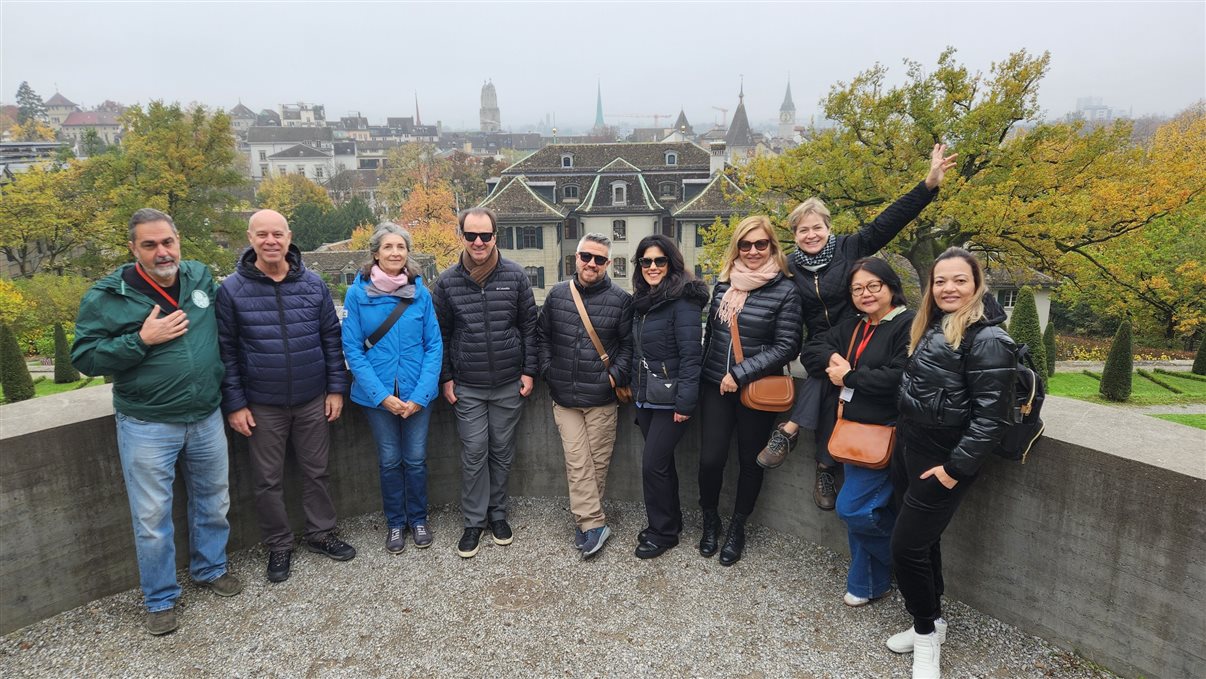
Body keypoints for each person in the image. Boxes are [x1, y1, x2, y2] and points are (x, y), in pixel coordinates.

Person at [758, 144, 957, 512]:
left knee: (836, 382)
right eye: (803, 230)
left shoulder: (852, 247)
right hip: (821, 343)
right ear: (795, 235)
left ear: (829, 228)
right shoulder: (790, 267)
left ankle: (800, 441)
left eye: (817, 227)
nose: (811, 234)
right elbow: (761, 285)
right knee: (828, 369)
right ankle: (824, 464)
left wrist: (928, 185)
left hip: (862, 335)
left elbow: (889, 220)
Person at [71, 208, 242, 636]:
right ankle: (160, 598)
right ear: (133, 249)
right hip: (148, 423)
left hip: (205, 415)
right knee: (151, 517)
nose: (161, 252)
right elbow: (84, 358)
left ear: (178, 240)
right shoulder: (108, 297)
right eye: (149, 245)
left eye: (167, 242)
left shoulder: (200, 277)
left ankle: (210, 568)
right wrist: (140, 340)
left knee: (214, 500)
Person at [887, 247, 1015, 679]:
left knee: (905, 548)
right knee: (923, 544)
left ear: (977, 284)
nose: (948, 288)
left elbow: (991, 420)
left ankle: (926, 639)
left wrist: (953, 469)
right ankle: (934, 623)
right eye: (941, 281)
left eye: (959, 280)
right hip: (911, 448)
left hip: (942, 461)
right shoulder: (933, 325)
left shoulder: (989, 339)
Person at [216, 209, 356, 584]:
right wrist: (235, 403)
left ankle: (321, 533)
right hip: (262, 403)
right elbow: (226, 351)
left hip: (312, 397)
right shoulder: (231, 290)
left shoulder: (313, 285)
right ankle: (279, 544)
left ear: (289, 236)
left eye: (277, 234)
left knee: (317, 471)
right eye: (262, 234)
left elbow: (331, 339)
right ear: (250, 238)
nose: (271, 241)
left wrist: (336, 389)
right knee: (266, 480)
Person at [800, 258, 914, 607]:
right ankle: (867, 584)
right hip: (852, 431)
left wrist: (850, 377)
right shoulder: (855, 325)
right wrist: (836, 360)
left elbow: (900, 377)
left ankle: (905, 562)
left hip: (885, 432)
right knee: (866, 511)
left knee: (854, 509)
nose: (865, 294)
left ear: (891, 286)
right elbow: (812, 349)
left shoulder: (908, 324)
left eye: (873, 286)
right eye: (857, 289)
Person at [697, 216, 803, 566]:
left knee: (749, 461)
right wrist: (704, 373)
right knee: (711, 458)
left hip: (757, 388)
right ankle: (710, 518)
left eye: (761, 244)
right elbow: (712, 336)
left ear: (772, 246)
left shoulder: (785, 289)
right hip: (716, 385)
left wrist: (740, 373)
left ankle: (738, 526)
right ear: (737, 248)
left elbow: (788, 345)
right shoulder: (723, 284)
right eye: (746, 245)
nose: (753, 251)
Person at [433, 207, 538, 559]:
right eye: (471, 235)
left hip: (509, 382)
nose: (478, 242)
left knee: (502, 451)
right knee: (475, 451)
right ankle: (474, 521)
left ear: (496, 236)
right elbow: (441, 335)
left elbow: (529, 327)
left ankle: (498, 515)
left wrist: (529, 371)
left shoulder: (516, 275)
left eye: (485, 235)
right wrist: (446, 377)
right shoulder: (447, 282)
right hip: (468, 385)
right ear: (460, 236)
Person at [342, 222, 442, 554]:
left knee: (415, 459)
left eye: (401, 247)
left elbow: (434, 346)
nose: (395, 252)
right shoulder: (357, 294)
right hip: (378, 396)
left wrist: (419, 395)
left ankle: (418, 519)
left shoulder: (420, 293)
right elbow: (353, 350)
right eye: (388, 247)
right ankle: (395, 524)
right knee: (389, 461)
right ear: (375, 253)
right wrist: (382, 397)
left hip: (416, 393)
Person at [537, 233, 633, 560]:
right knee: (578, 462)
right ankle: (595, 523)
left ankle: (587, 524)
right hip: (564, 396)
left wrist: (614, 376)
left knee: (597, 465)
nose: (591, 263)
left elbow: (629, 348)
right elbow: (543, 337)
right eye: (586, 257)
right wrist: (549, 369)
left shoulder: (621, 300)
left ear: (608, 263)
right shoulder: (557, 295)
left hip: (602, 398)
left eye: (600, 259)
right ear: (576, 258)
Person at [629, 235, 709, 560]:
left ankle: (663, 533)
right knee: (661, 466)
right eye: (645, 261)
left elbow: (692, 356)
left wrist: (685, 404)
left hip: (672, 400)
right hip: (647, 397)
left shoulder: (683, 302)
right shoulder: (644, 302)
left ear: (672, 264)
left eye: (659, 261)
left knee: (652, 465)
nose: (652, 267)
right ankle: (669, 522)